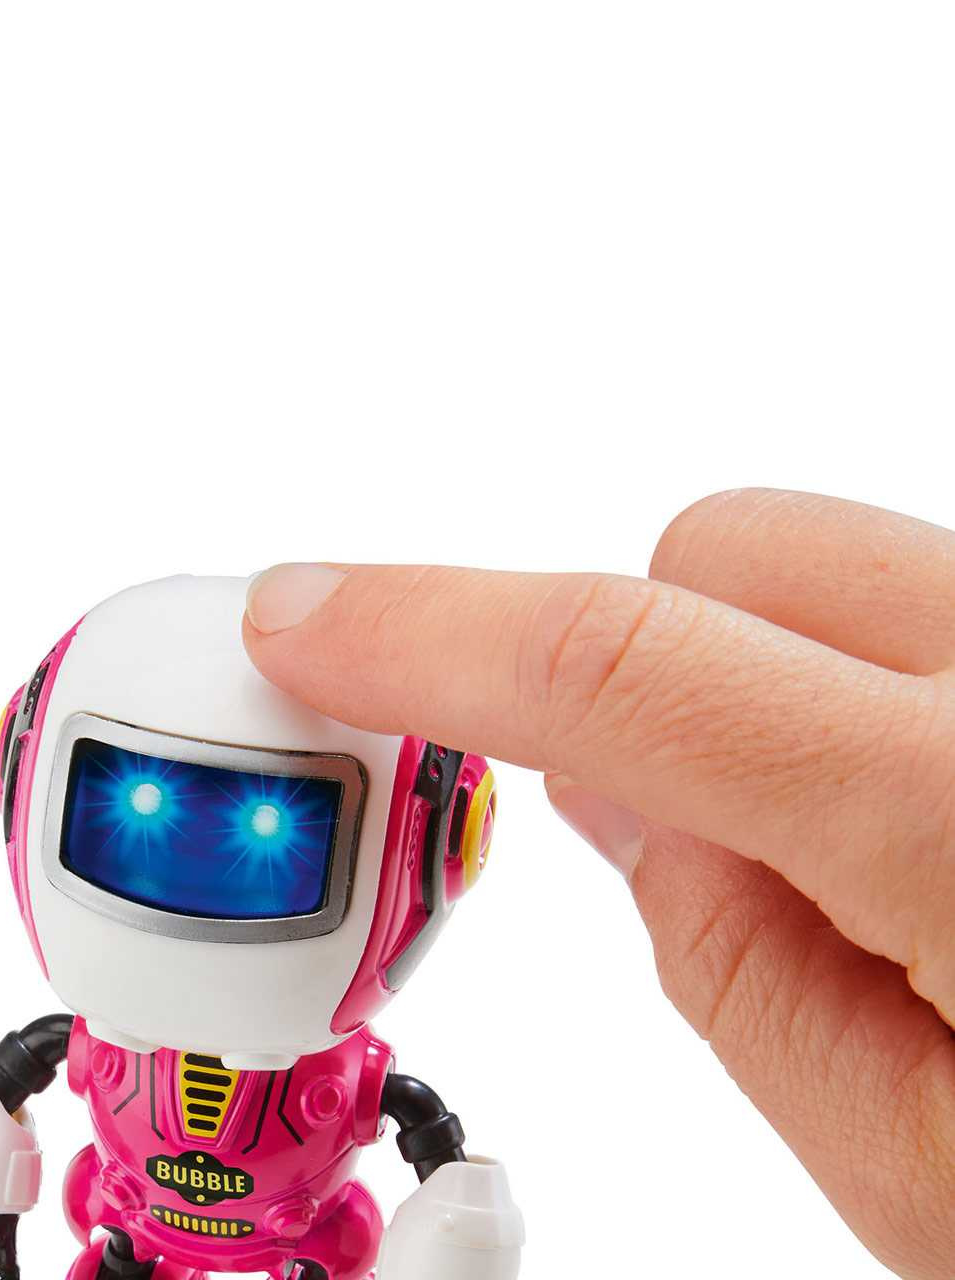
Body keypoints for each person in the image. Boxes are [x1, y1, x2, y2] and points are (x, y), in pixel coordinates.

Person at [242, 488, 955, 1280]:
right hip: (140, 1226)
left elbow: (432, 1151)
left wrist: (465, 1225)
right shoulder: (143, 1045)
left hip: (307, 1240)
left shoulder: (348, 1074)